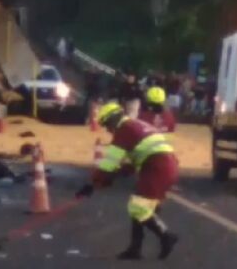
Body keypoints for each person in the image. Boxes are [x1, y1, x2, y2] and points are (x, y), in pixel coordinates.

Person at [76, 102, 179, 260]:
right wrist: (113, 176)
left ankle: (166, 236)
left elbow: (109, 163)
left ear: (113, 120)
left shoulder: (124, 130)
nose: (107, 129)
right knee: (137, 206)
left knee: (137, 207)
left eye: (107, 125)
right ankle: (135, 248)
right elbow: (132, 161)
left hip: (157, 168)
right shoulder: (136, 125)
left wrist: (92, 184)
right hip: (164, 165)